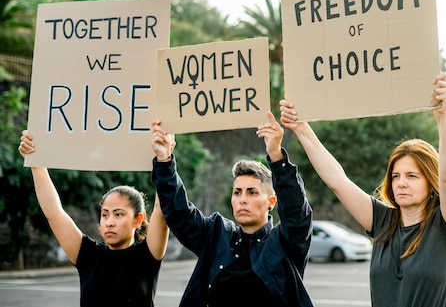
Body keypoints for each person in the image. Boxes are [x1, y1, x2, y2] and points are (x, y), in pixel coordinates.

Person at [279, 72, 446, 307]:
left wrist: (442, 117)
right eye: (396, 176)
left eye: (412, 176)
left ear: (431, 182)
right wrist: (300, 127)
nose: (401, 183)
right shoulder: (382, 222)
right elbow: (338, 181)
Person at [150, 110, 314, 307]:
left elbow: (297, 212)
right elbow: (178, 213)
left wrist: (276, 156)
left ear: (271, 202)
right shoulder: (215, 234)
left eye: (252, 193)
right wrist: (164, 160)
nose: (242, 199)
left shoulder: (284, 243)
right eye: (237, 192)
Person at [18, 131, 169, 307]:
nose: (109, 221)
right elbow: (54, 213)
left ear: (137, 220)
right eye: (105, 214)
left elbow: (161, 209)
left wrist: (164, 159)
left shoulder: (147, 256)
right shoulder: (88, 255)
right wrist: (36, 164)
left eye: (118, 214)